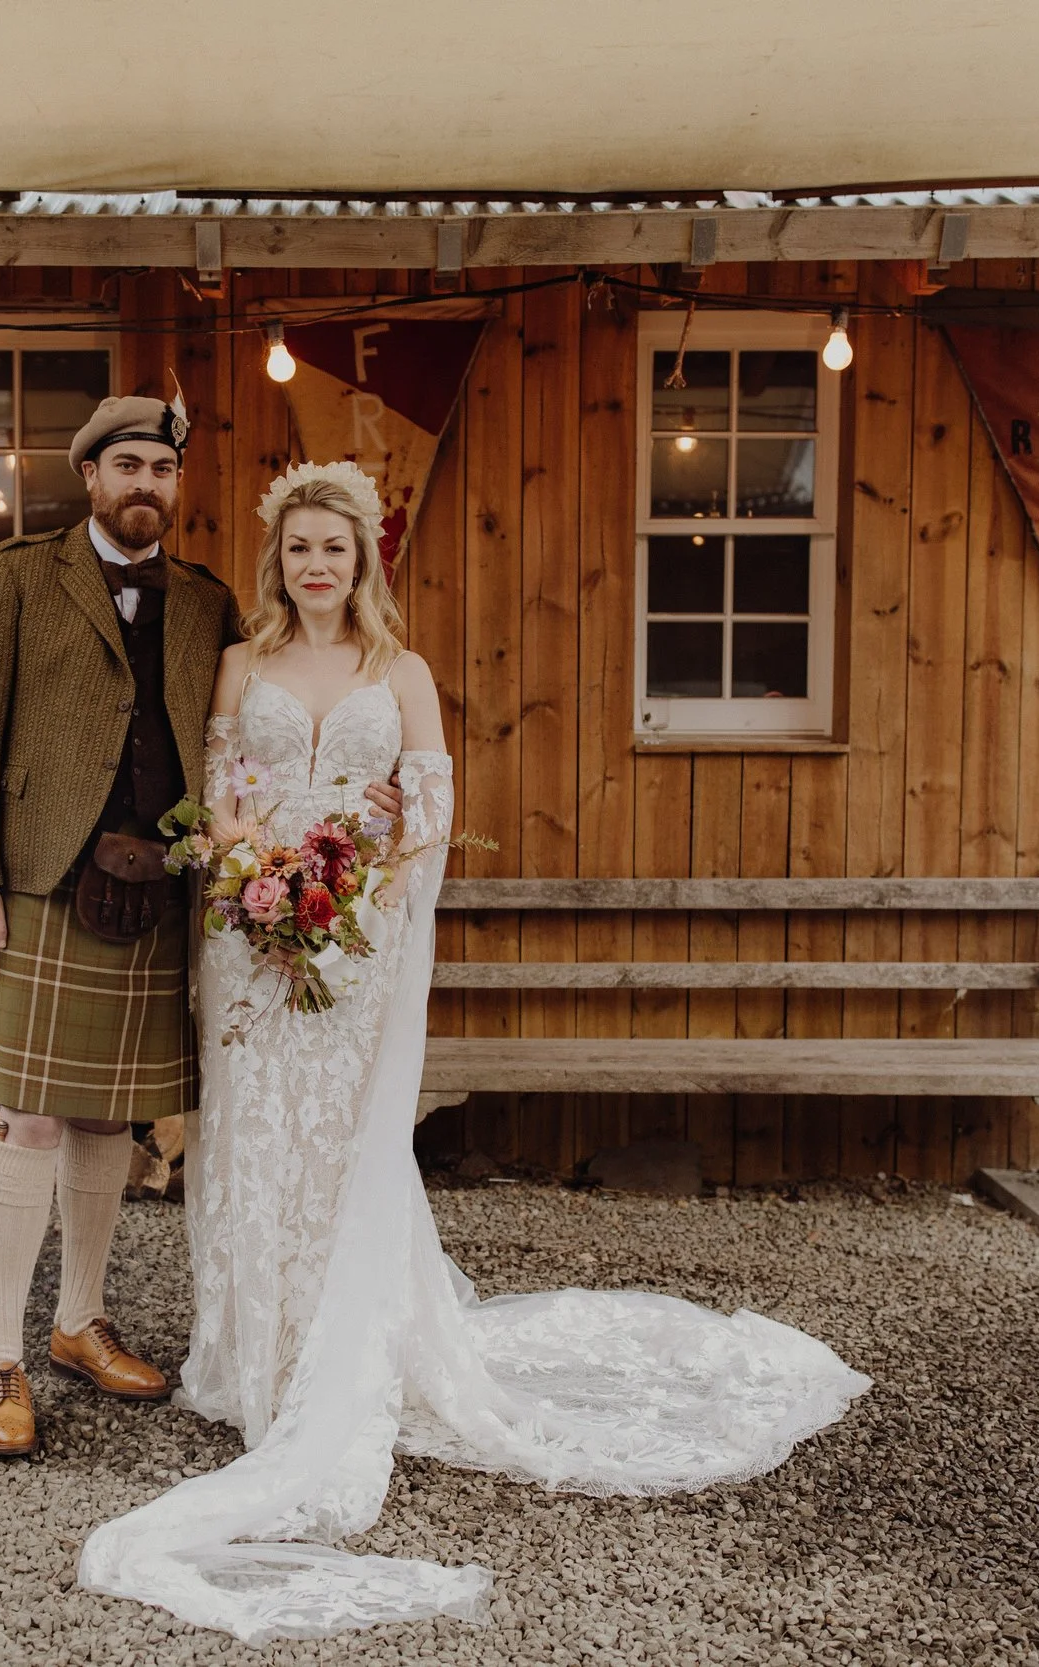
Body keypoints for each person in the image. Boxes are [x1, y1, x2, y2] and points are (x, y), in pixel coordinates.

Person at [76, 461, 873, 1643]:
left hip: (354, 937)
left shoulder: (401, 672)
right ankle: (254, 1362)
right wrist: (249, 874)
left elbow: (429, 811)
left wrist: (353, 902)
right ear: (277, 558)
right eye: (298, 547)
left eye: (334, 549)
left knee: (342, 1151)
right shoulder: (240, 665)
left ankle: (337, 1360)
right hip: (246, 935)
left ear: (363, 561)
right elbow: (227, 794)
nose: (316, 566)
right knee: (253, 1138)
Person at [0, 398, 401, 1460]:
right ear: (88, 473)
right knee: (31, 1123)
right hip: (43, 886)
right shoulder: (15, 576)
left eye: (162, 468)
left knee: (109, 1122)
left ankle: (79, 1320)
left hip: (158, 891)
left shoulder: (204, 601)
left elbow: (246, 743)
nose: (146, 483)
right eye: (126, 464)